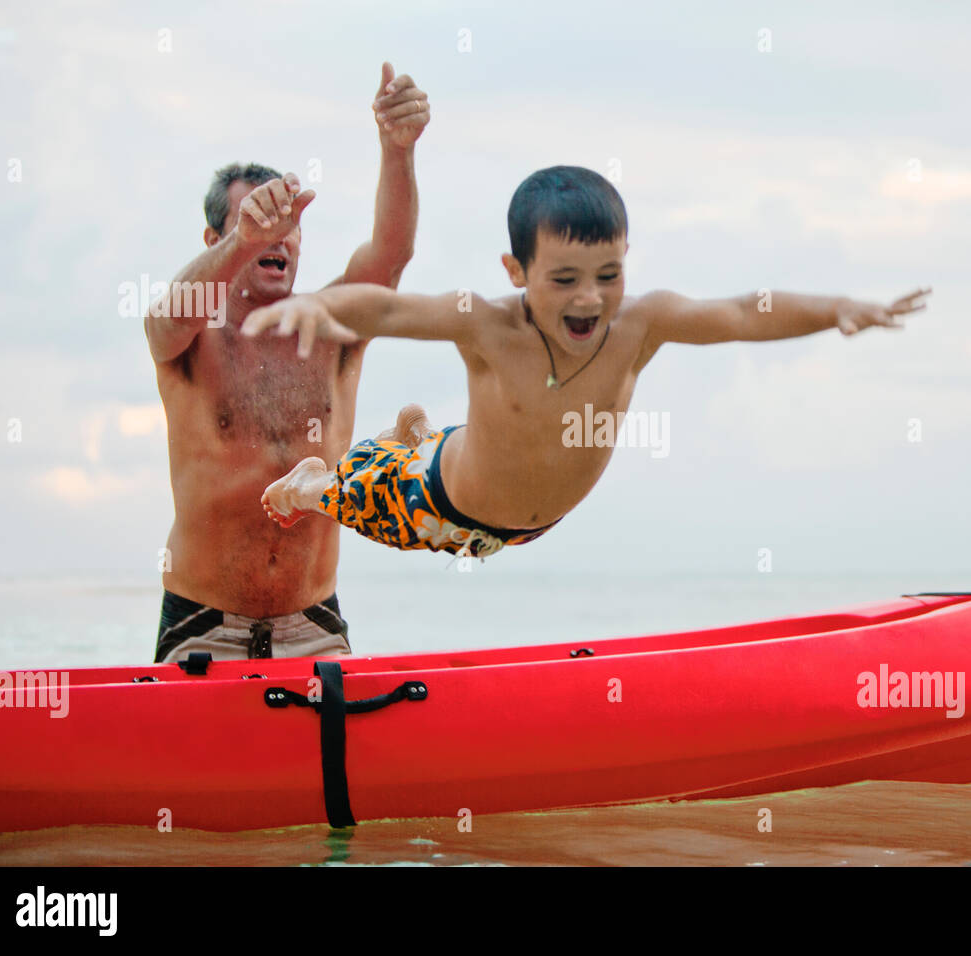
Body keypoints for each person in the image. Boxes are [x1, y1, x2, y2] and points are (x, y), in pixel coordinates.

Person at [247, 165, 930, 561]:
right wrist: (321, 307)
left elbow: (742, 313)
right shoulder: (485, 325)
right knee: (354, 499)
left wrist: (835, 305)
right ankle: (312, 482)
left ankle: (417, 436)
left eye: (609, 273)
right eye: (565, 278)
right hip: (441, 505)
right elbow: (392, 311)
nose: (591, 297)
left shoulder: (642, 325)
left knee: (428, 449)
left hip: (535, 521)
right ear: (516, 270)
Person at [144, 65, 431, 662]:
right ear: (213, 237)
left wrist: (396, 149)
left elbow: (391, 253)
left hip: (314, 624)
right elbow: (164, 320)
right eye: (254, 221)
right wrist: (245, 238)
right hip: (203, 626)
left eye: (287, 223)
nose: (276, 235)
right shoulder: (194, 336)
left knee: (342, 759)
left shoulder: (331, 325)